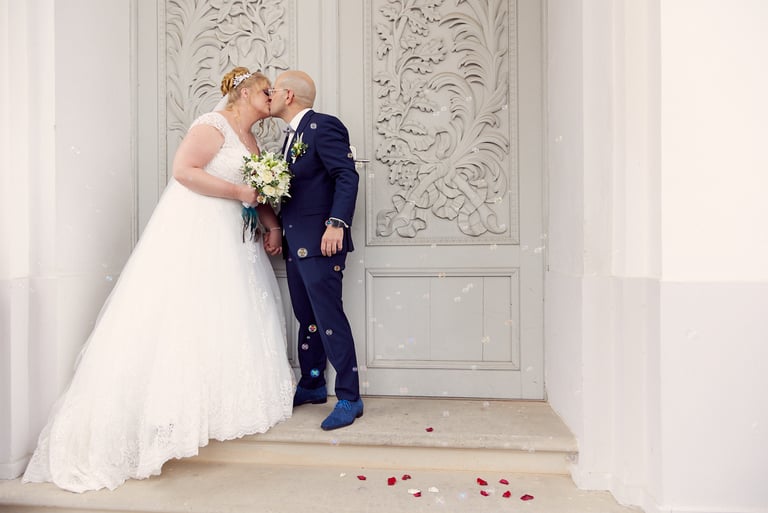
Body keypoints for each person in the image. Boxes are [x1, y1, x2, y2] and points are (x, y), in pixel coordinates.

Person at [22, 67, 295, 493]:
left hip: (234, 238)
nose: (270, 97)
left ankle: (219, 405)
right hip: (199, 230)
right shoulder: (212, 125)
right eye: (264, 90)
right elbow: (184, 171)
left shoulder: (253, 140)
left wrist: (271, 224)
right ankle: (167, 415)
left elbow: (254, 186)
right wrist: (241, 194)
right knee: (185, 313)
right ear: (243, 92)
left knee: (226, 314)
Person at [267, 70, 362, 431]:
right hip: (296, 243)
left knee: (329, 319)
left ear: (289, 95)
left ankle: (350, 397)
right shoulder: (290, 139)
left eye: (273, 90)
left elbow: (346, 175)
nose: (269, 95)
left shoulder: (324, 127)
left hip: (323, 242)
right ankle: (311, 384)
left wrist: (336, 223)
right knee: (306, 317)